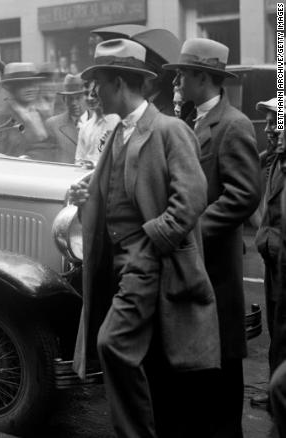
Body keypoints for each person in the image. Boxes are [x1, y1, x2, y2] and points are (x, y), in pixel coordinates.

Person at [69, 38, 219, 438]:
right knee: (146, 361)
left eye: (98, 82)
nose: (93, 92)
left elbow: (191, 200)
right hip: (118, 262)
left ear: (118, 82)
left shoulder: (169, 130)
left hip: (146, 262)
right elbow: (115, 191)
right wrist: (86, 198)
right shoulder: (116, 133)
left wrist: (152, 243)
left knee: (112, 344)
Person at [164, 38, 261, 437]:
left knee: (221, 369)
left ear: (203, 77)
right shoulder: (192, 121)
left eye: (184, 73)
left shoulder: (233, 124)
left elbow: (243, 194)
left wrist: (193, 231)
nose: (179, 79)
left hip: (216, 267)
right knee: (199, 367)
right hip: (196, 269)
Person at [254, 97, 285, 409]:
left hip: (282, 259)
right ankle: (275, 383)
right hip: (272, 256)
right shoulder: (273, 159)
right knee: (276, 324)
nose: (268, 129)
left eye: (274, 121)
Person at [0, 62, 51, 158]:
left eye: (33, 84)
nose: (30, 89)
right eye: (23, 85)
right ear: (12, 88)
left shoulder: (44, 114)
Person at [75, 78, 119, 165]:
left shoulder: (118, 121)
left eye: (94, 94)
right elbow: (78, 160)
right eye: (86, 94)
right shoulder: (85, 127)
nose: (90, 98)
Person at [45, 74, 86, 163]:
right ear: (64, 99)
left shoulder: (99, 123)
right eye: (70, 99)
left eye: (78, 98)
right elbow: (47, 159)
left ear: (86, 98)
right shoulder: (53, 125)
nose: (74, 103)